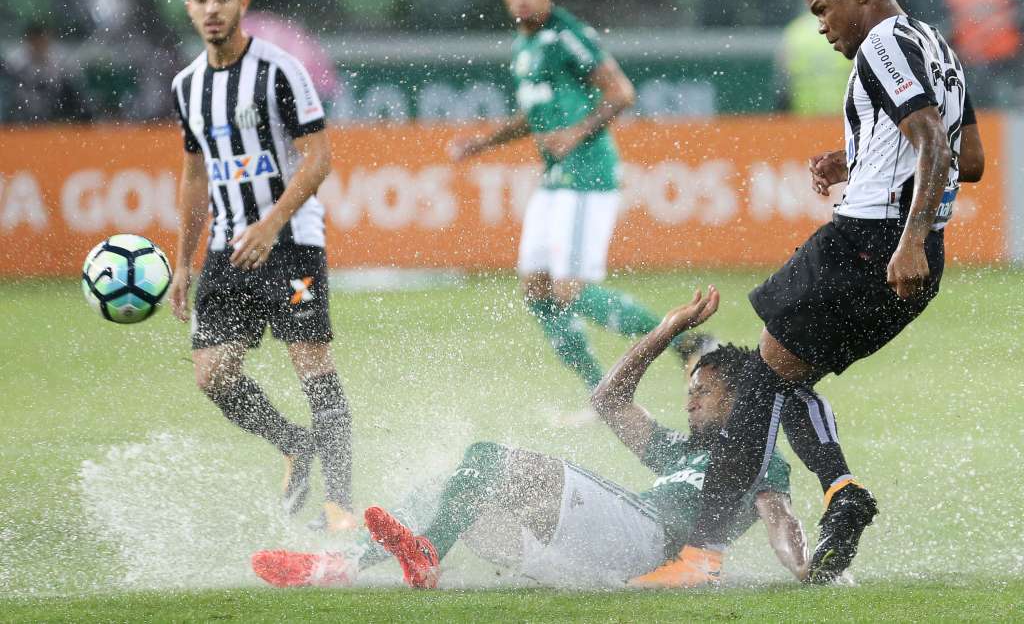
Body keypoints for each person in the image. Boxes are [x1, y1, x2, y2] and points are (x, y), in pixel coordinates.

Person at [640, 0, 975, 588]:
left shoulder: (882, 44)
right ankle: (841, 492)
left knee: (757, 383)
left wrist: (905, 238)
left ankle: (700, 555)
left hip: (871, 243)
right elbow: (971, 156)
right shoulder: (938, 48)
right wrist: (856, 162)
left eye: (823, 9)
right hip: (920, 261)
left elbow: (932, 138)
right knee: (784, 374)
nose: (821, 27)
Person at [249, 288, 812, 590]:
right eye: (689, 389)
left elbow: (779, 516)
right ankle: (341, 565)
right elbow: (609, 401)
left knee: (490, 458)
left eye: (704, 391)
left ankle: (427, 556)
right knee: (455, 489)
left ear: (737, 400)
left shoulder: (759, 457)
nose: (690, 400)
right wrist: (664, 331)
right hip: (594, 558)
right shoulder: (683, 451)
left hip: (643, 541)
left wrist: (810, 569)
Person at [450, 0, 713, 391]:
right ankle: (599, 392)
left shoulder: (568, 34)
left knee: (571, 288)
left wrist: (575, 134)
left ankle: (689, 342)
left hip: (587, 173)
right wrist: (484, 142)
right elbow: (533, 115)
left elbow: (622, 92)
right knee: (536, 287)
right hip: (555, 178)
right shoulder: (523, 44)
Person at [166, 0, 355, 532]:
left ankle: (341, 505)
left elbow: (319, 158)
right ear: (190, 8)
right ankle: (295, 445)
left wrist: (272, 223)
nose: (213, 9)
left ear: (242, 4)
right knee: (212, 373)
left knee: (311, 364)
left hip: (290, 241)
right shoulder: (186, 85)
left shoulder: (280, 71)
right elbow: (195, 176)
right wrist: (183, 261)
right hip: (226, 249)